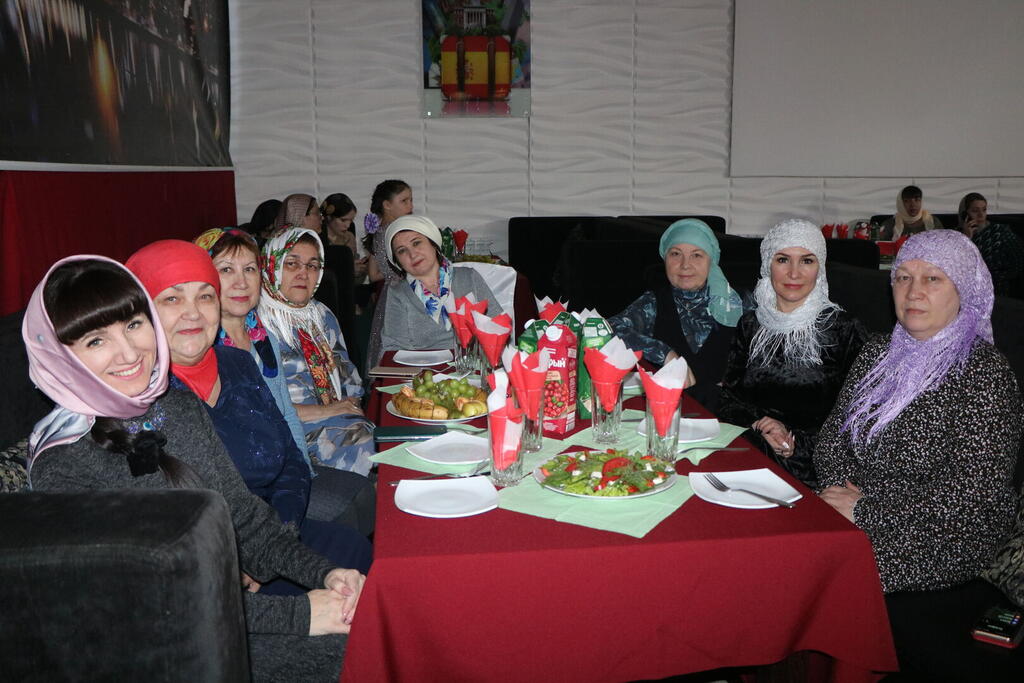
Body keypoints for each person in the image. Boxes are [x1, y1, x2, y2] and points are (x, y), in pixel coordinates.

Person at [23, 256, 365, 682]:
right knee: (354, 650)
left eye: (133, 324)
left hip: (220, 610)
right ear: (58, 357)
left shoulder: (177, 404)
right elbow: (139, 601)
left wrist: (326, 574)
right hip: (156, 648)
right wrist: (301, 615)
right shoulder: (62, 461)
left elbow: (245, 519)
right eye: (96, 341)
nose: (129, 352)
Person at [125, 240, 375, 559]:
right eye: (173, 298)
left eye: (204, 296)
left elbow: (284, 433)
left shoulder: (244, 354)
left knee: (358, 530)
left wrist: (285, 521)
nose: (193, 312)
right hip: (219, 541)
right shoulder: (146, 392)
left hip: (272, 500)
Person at [814, 229, 1021, 595]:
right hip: (854, 504)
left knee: (811, 569)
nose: (913, 292)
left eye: (933, 279)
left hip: (941, 537)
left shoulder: (985, 373)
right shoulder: (877, 353)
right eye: (903, 278)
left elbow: (972, 494)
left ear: (962, 290)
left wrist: (866, 511)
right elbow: (832, 438)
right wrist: (839, 493)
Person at [195, 228, 376, 535]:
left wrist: (302, 476)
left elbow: (286, 415)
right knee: (356, 463)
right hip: (246, 482)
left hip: (285, 462)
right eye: (226, 270)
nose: (241, 282)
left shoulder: (259, 336)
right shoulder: (204, 346)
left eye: (249, 269)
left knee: (362, 501)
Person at [718, 220, 867, 488]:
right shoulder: (751, 325)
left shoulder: (843, 329)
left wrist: (796, 442)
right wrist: (759, 424)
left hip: (818, 469)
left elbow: (861, 416)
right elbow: (729, 399)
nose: (794, 273)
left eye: (807, 261)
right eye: (783, 259)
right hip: (753, 456)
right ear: (768, 265)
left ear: (820, 268)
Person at [258, 227, 375, 476]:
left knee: (364, 429)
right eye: (292, 264)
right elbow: (261, 406)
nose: (303, 273)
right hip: (284, 428)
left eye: (312, 265)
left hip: (336, 419)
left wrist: (351, 405)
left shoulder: (321, 315)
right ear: (272, 265)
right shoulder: (256, 324)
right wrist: (327, 411)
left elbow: (347, 373)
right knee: (356, 436)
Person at [609, 218, 750, 410]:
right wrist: (665, 353)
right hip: (668, 413)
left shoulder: (739, 303)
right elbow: (608, 330)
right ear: (665, 258)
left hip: (730, 415)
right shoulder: (653, 302)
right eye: (675, 254)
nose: (685, 265)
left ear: (711, 260)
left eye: (697, 255)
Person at [379, 215, 502, 355]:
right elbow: (393, 349)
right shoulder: (398, 293)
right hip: (421, 366)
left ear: (433, 243)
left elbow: (497, 325)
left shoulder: (468, 277)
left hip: (472, 363)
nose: (412, 254)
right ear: (398, 262)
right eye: (402, 251)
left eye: (416, 243)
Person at [958, 191, 1024, 296]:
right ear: (964, 214)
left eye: (984, 210)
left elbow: (1019, 261)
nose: (981, 215)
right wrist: (966, 238)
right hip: (968, 289)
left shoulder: (1000, 231)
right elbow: (956, 265)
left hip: (998, 288)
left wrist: (993, 278)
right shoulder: (957, 235)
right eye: (975, 211)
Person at [320, 192, 369, 284]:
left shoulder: (349, 236)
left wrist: (362, 268)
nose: (348, 225)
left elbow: (354, 280)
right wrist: (348, 270)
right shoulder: (318, 239)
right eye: (343, 220)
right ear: (329, 217)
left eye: (351, 220)